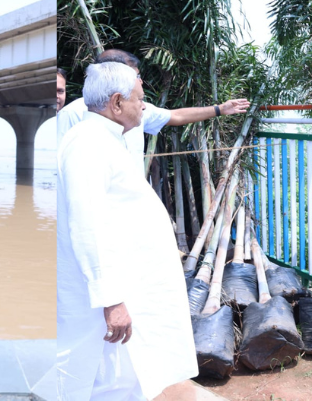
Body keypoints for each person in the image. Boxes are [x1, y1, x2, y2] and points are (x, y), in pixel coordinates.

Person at [57, 62, 197, 400]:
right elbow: (85, 223)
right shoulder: (88, 145)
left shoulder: (103, 139)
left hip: (124, 287)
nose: (144, 107)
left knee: (125, 376)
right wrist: (111, 300)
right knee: (104, 378)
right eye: (140, 99)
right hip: (106, 299)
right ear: (117, 103)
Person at [57, 48, 250, 178]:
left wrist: (219, 109)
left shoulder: (138, 109)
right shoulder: (73, 115)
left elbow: (175, 116)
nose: (140, 82)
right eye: (136, 76)